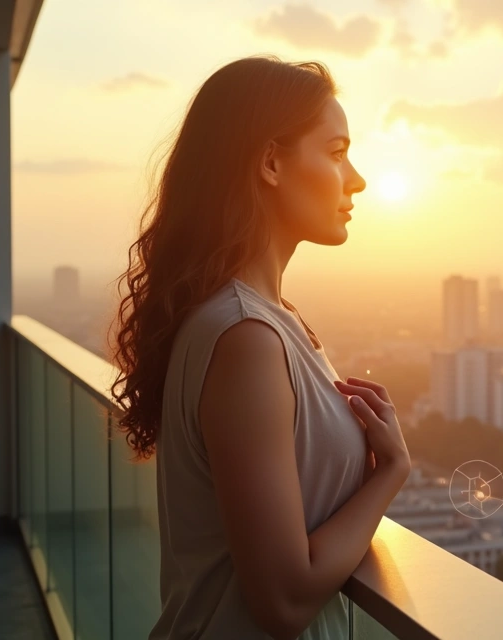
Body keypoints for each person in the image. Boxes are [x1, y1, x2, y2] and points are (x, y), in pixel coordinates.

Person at [108, 55, 411, 640]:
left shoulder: (265, 320)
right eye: (336, 151)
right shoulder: (246, 336)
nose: (357, 179)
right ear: (271, 162)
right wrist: (390, 472)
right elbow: (283, 600)